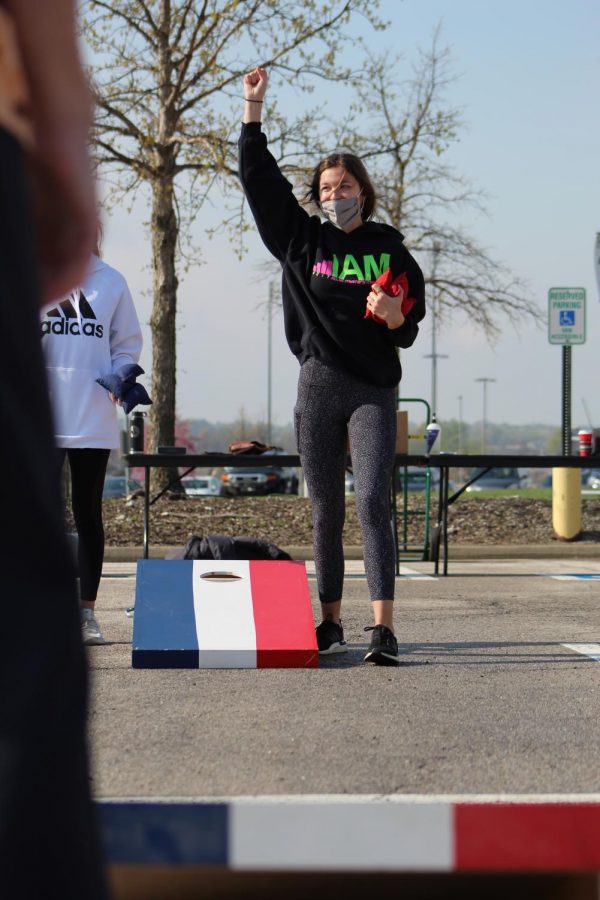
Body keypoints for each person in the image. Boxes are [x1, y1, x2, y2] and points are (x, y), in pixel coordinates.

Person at [239, 67, 426, 666]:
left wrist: (395, 315)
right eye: (324, 188)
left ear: (363, 193)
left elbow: (410, 328)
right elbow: (260, 183)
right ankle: (330, 622)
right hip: (318, 384)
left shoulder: (391, 251)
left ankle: (384, 628)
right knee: (324, 505)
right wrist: (253, 110)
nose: (334, 196)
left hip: (372, 387)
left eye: (344, 187)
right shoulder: (303, 243)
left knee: (372, 498)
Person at [0, 1, 108, 896]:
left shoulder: (111, 296)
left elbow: (131, 350)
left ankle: (89, 600)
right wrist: (62, 136)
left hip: (89, 416)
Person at [42, 246, 144, 644]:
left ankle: (86, 615)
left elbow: (126, 344)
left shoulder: (111, 281)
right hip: (41, 415)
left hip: (92, 413)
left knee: (88, 514)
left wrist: (122, 377)